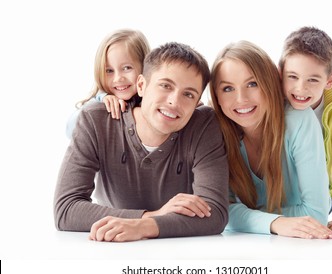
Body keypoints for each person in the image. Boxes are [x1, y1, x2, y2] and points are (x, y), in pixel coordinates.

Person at [54, 42, 229, 242]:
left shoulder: (203, 125)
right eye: (165, 86)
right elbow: (66, 209)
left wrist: (144, 226)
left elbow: (215, 214)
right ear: (141, 85)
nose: (174, 102)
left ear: (197, 101)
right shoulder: (95, 120)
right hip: (112, 250)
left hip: (179, 254)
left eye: (188, 94)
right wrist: (152, 216)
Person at [209, 40, 332, 239]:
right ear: (216, 96)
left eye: (252, 84)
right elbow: (220, 212)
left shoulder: (298, 120)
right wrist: (276, 222)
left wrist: (250, 218)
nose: (241, 98)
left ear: (269, 82)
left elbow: (317, 216)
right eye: (227, 88)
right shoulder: (216, 131)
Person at [278, 26, 332, 233]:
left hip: (319, 198)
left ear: (330, 80)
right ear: (280, 73)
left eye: (313, 80)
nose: (300, 88)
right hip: (278, 194)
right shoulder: (273, 97)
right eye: (292, 77)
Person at [66, 29, 150, 139]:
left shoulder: (150, 102)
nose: (118, 78)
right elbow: (71, 129)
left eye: (126, 68)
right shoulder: (100, 102)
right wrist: (100, 99)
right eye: (109, 71)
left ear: (145, 67)